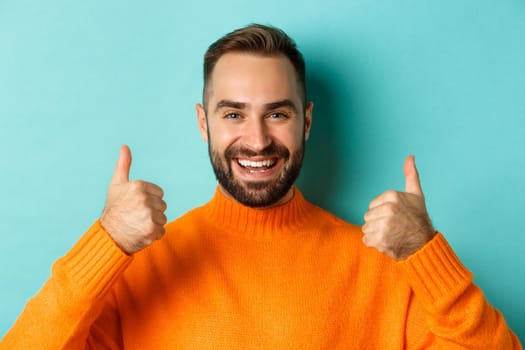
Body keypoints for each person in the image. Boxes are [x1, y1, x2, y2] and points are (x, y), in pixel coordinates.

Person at [1, 24, 521, 350]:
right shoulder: (140, 271)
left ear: (307, 122)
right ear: (204, 124)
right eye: (233, 114)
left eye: (277, 113)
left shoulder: (381, 270)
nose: (256, 140)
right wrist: (105, 243)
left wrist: (426, 254)